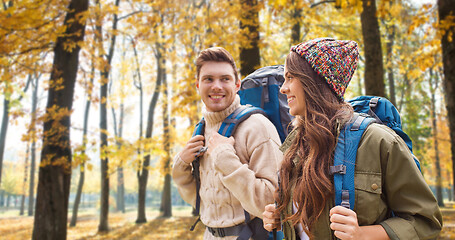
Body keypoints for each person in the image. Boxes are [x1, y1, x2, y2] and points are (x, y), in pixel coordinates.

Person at [262, 38, 443, 240]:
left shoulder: (378, 141)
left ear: (314, 81)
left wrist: (363, 234)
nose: (283, 88)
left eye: (290, 77)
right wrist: (280, 217)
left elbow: (426, 222)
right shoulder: (294, 146)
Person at [172, 47, 283, 239]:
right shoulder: (201, 130)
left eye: (225, 79)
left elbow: (271, 201)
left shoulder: (257, 127)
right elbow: (203, 202)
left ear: (237, 84)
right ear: (198, 85)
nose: (216, 86)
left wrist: (225, 158)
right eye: (208, 79)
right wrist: (181, 165)